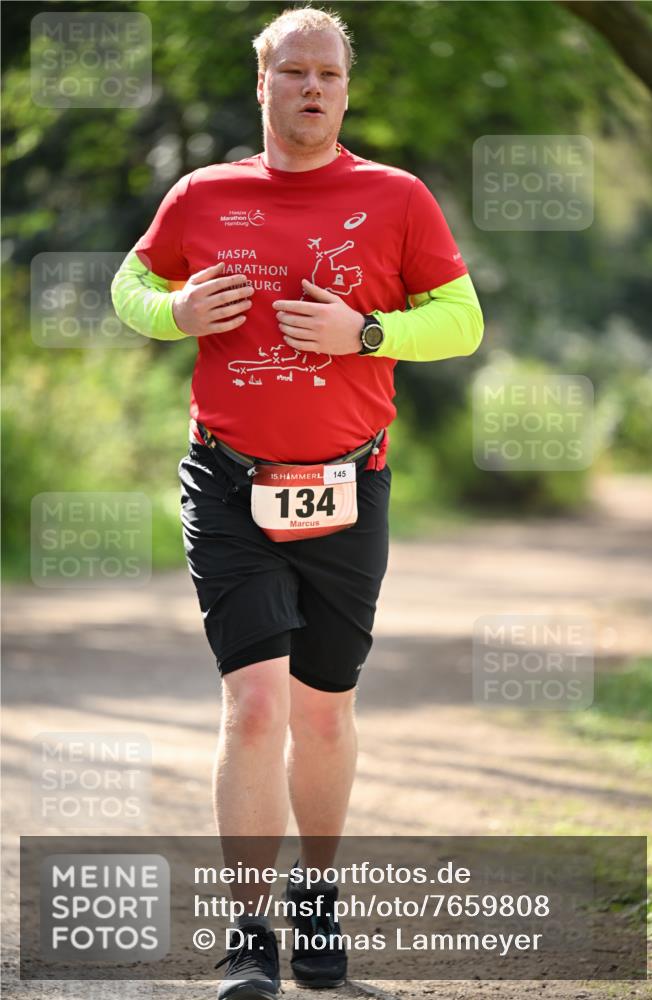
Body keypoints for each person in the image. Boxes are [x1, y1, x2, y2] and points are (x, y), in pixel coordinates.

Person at [111, 6, 483, 997]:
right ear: (263, 84)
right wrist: (173, 311)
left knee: (322, 715)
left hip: (347, 483)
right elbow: (129, 284)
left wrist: (365, 334)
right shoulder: (203, 194)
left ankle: (313, 894)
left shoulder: (396, 197)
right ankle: (246, 931)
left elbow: (460, 320)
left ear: (345, 90)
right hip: (228, 481)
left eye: (327, 73)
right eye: (292, 71)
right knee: (253, 706)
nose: (311, 86)